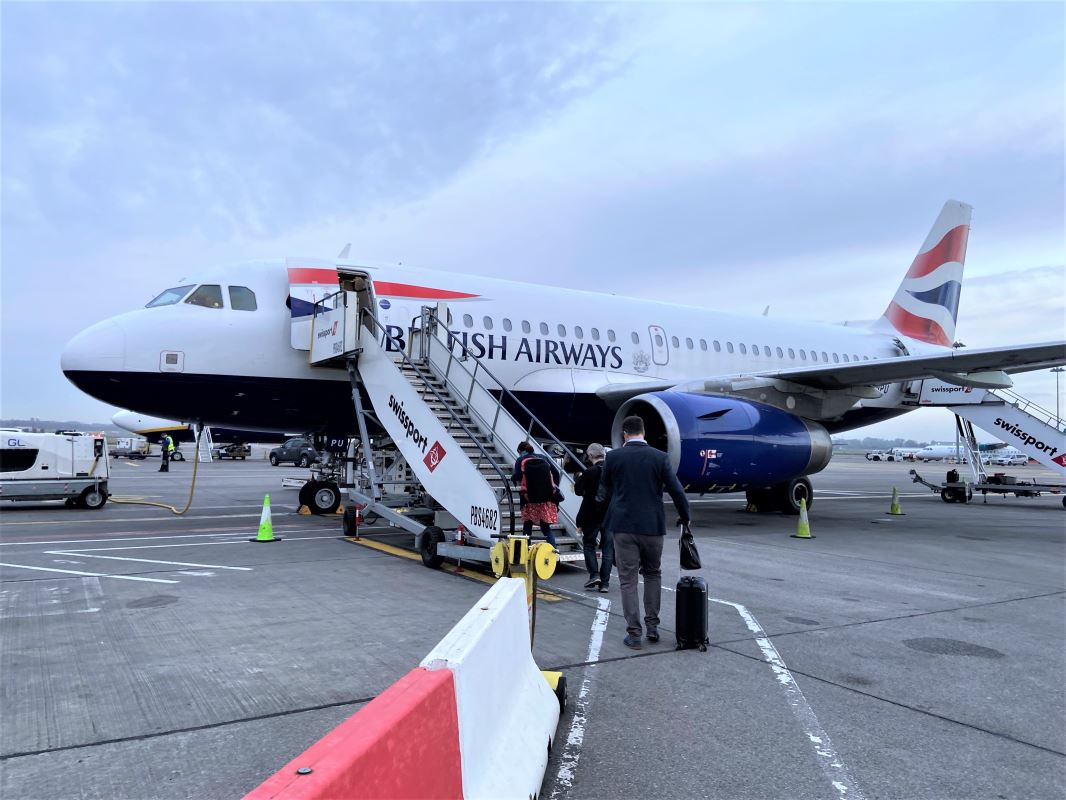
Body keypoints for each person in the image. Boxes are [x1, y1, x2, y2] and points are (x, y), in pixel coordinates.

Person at [598, 416, 690, 649]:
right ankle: (652, 627)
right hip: (652, 527)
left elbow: (604, 490)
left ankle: (634, 633)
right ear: (643, 431)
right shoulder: (660, 457)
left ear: (625, 435)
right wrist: (685, 515)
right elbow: (677, 490)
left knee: (628, 580)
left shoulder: (614, 457)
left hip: (624, 527)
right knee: (652, 574)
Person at [575, 443, 611, 592]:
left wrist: (579, 477)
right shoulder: (613, 472)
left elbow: (578, 491)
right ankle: (605, 583)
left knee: (589, 544)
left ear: (590, 456)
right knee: (609, 549)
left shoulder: (589, 472)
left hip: (592, 516)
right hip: (610, 516)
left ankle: (594, 575)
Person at [511, 441, 559, 547]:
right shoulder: (543, 458)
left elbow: (516, 476)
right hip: (546, 498)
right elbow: (556, 473)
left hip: (529, 499)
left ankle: (526, 551)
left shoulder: (520, 460)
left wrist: (513, 478)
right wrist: (553, 488)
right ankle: (554, 551)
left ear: (520, 451)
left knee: (527, 526)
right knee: (545, 527)